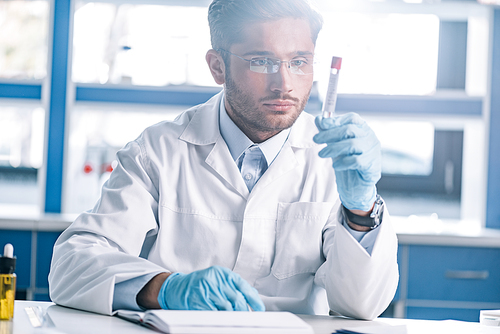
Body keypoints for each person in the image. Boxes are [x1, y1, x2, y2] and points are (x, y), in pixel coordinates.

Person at [49, 0, 399, 320]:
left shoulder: (331, 162)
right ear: (218, 66)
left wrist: (361, 211)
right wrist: (165, 288)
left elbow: (362, 305)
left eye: (298, 62)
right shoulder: (157, 152)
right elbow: (70, 265)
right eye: (262, 61)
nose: (284, 84)